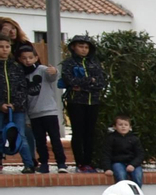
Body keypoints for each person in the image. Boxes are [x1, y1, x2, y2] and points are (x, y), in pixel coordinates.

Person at [60, 34, 107, 172]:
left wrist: (83, 85)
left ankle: (89, 161)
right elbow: (69, 81)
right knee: (78, 132)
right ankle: (79, 162)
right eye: (81, 46)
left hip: (93, 102)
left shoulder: (95, 63)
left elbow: (100, 82)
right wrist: (89, 81)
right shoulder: (69, 63)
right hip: (76, 102)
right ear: (74, 47)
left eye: (86, 47)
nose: (84, 49)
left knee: (90, 133)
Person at [19, 44, 63, 173]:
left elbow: (52, 77)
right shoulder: (20, 75)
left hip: (49, 111)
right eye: (24, 58)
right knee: (40, 141)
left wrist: (55, 71)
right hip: (34, 114)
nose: (28, 60)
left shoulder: (43, 69)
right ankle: (44, 163)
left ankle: (61, 163)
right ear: (20, 59)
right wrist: (27, 117)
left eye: (30, 57)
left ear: (36, 57)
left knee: (55, 138)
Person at [0, 36, 37, 172]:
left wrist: (15, 104)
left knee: (20, 136)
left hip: (17, 109)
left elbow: (23, 87)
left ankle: (29, 164)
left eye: (7, 47)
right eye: (1, 47)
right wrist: (1, 104)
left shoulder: (16, 66)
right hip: (0, 108)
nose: (4, 50)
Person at [105, 115, 144, 185]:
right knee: (121, 175)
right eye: (120, 125)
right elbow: (106, 154)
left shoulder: (134, 139)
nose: (123, 126)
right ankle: (123, 194)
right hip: (118, 162)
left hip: (133, 163)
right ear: (114, 127)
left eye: (126, 125)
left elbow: (140, 154)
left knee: (138, 176)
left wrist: (133, 165)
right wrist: (107, 168)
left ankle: (136, 194)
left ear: (130, 127)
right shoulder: (111, 139)